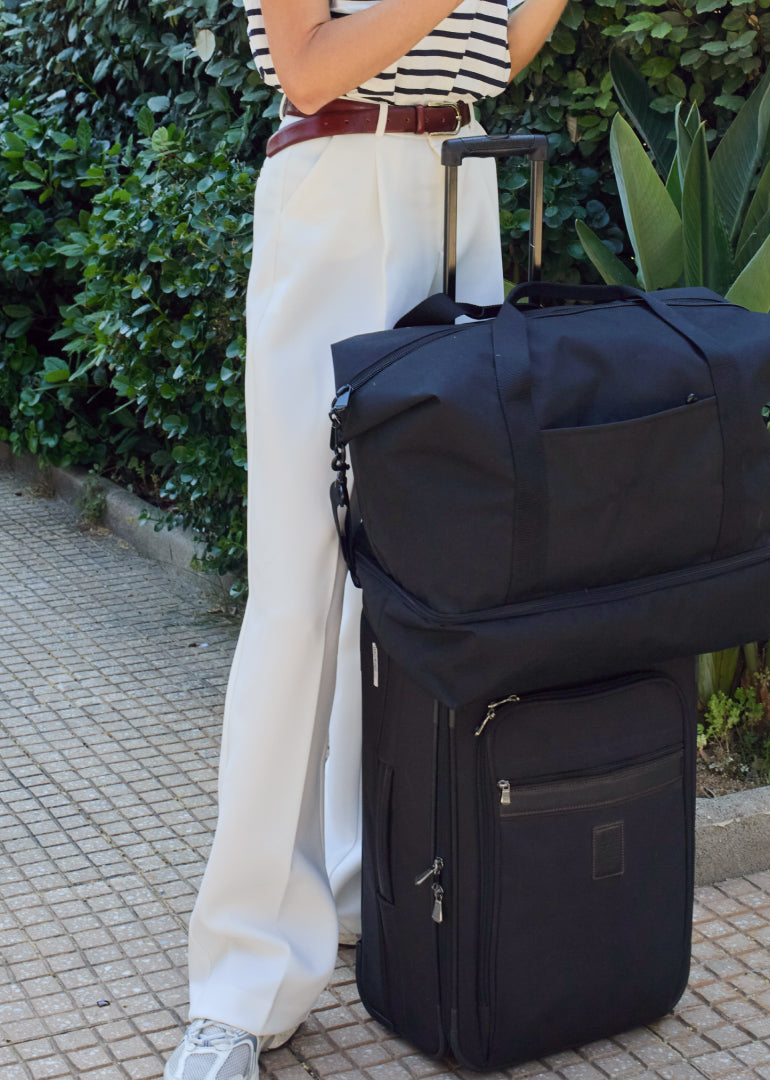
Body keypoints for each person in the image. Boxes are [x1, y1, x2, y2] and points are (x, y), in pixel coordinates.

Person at [164, 0, 567, 1075]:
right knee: (301, 588)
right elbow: (305, 68)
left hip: (460, 184)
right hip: (335, 190)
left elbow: (503, 47)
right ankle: (242, 984)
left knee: (424, 577)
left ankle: (369, 890)